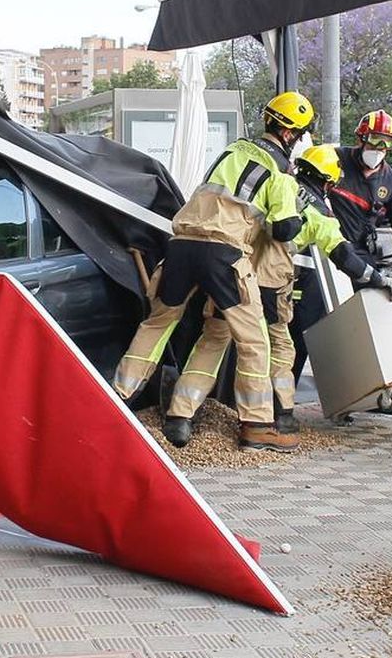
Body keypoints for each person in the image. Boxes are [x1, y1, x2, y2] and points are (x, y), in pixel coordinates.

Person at [166, 144, 392, 450]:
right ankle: (277, 418)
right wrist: (379, 278)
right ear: (329, 182)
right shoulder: (318, 211)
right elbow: (345, 257)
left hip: (233, 275)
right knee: (278, 348)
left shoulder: (274, 183)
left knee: (213, 342)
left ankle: (180, 417)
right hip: (271, 286)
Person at [113, 92, 312, 451]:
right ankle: (257, 426)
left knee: (159, 325)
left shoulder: (231, 153)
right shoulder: (280, 172)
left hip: (180, 248)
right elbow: (283, 230)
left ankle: (127, 402)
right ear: (291, 135)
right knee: (254, 341)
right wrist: (296, 209)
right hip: (225, 257)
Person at [329, 110, 392, 267]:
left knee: (369, 289)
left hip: (358, 252)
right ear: (361, 139)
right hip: (324, 246)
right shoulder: (334, 158)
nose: (380, 147)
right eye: (375, 139)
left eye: (387, 142)